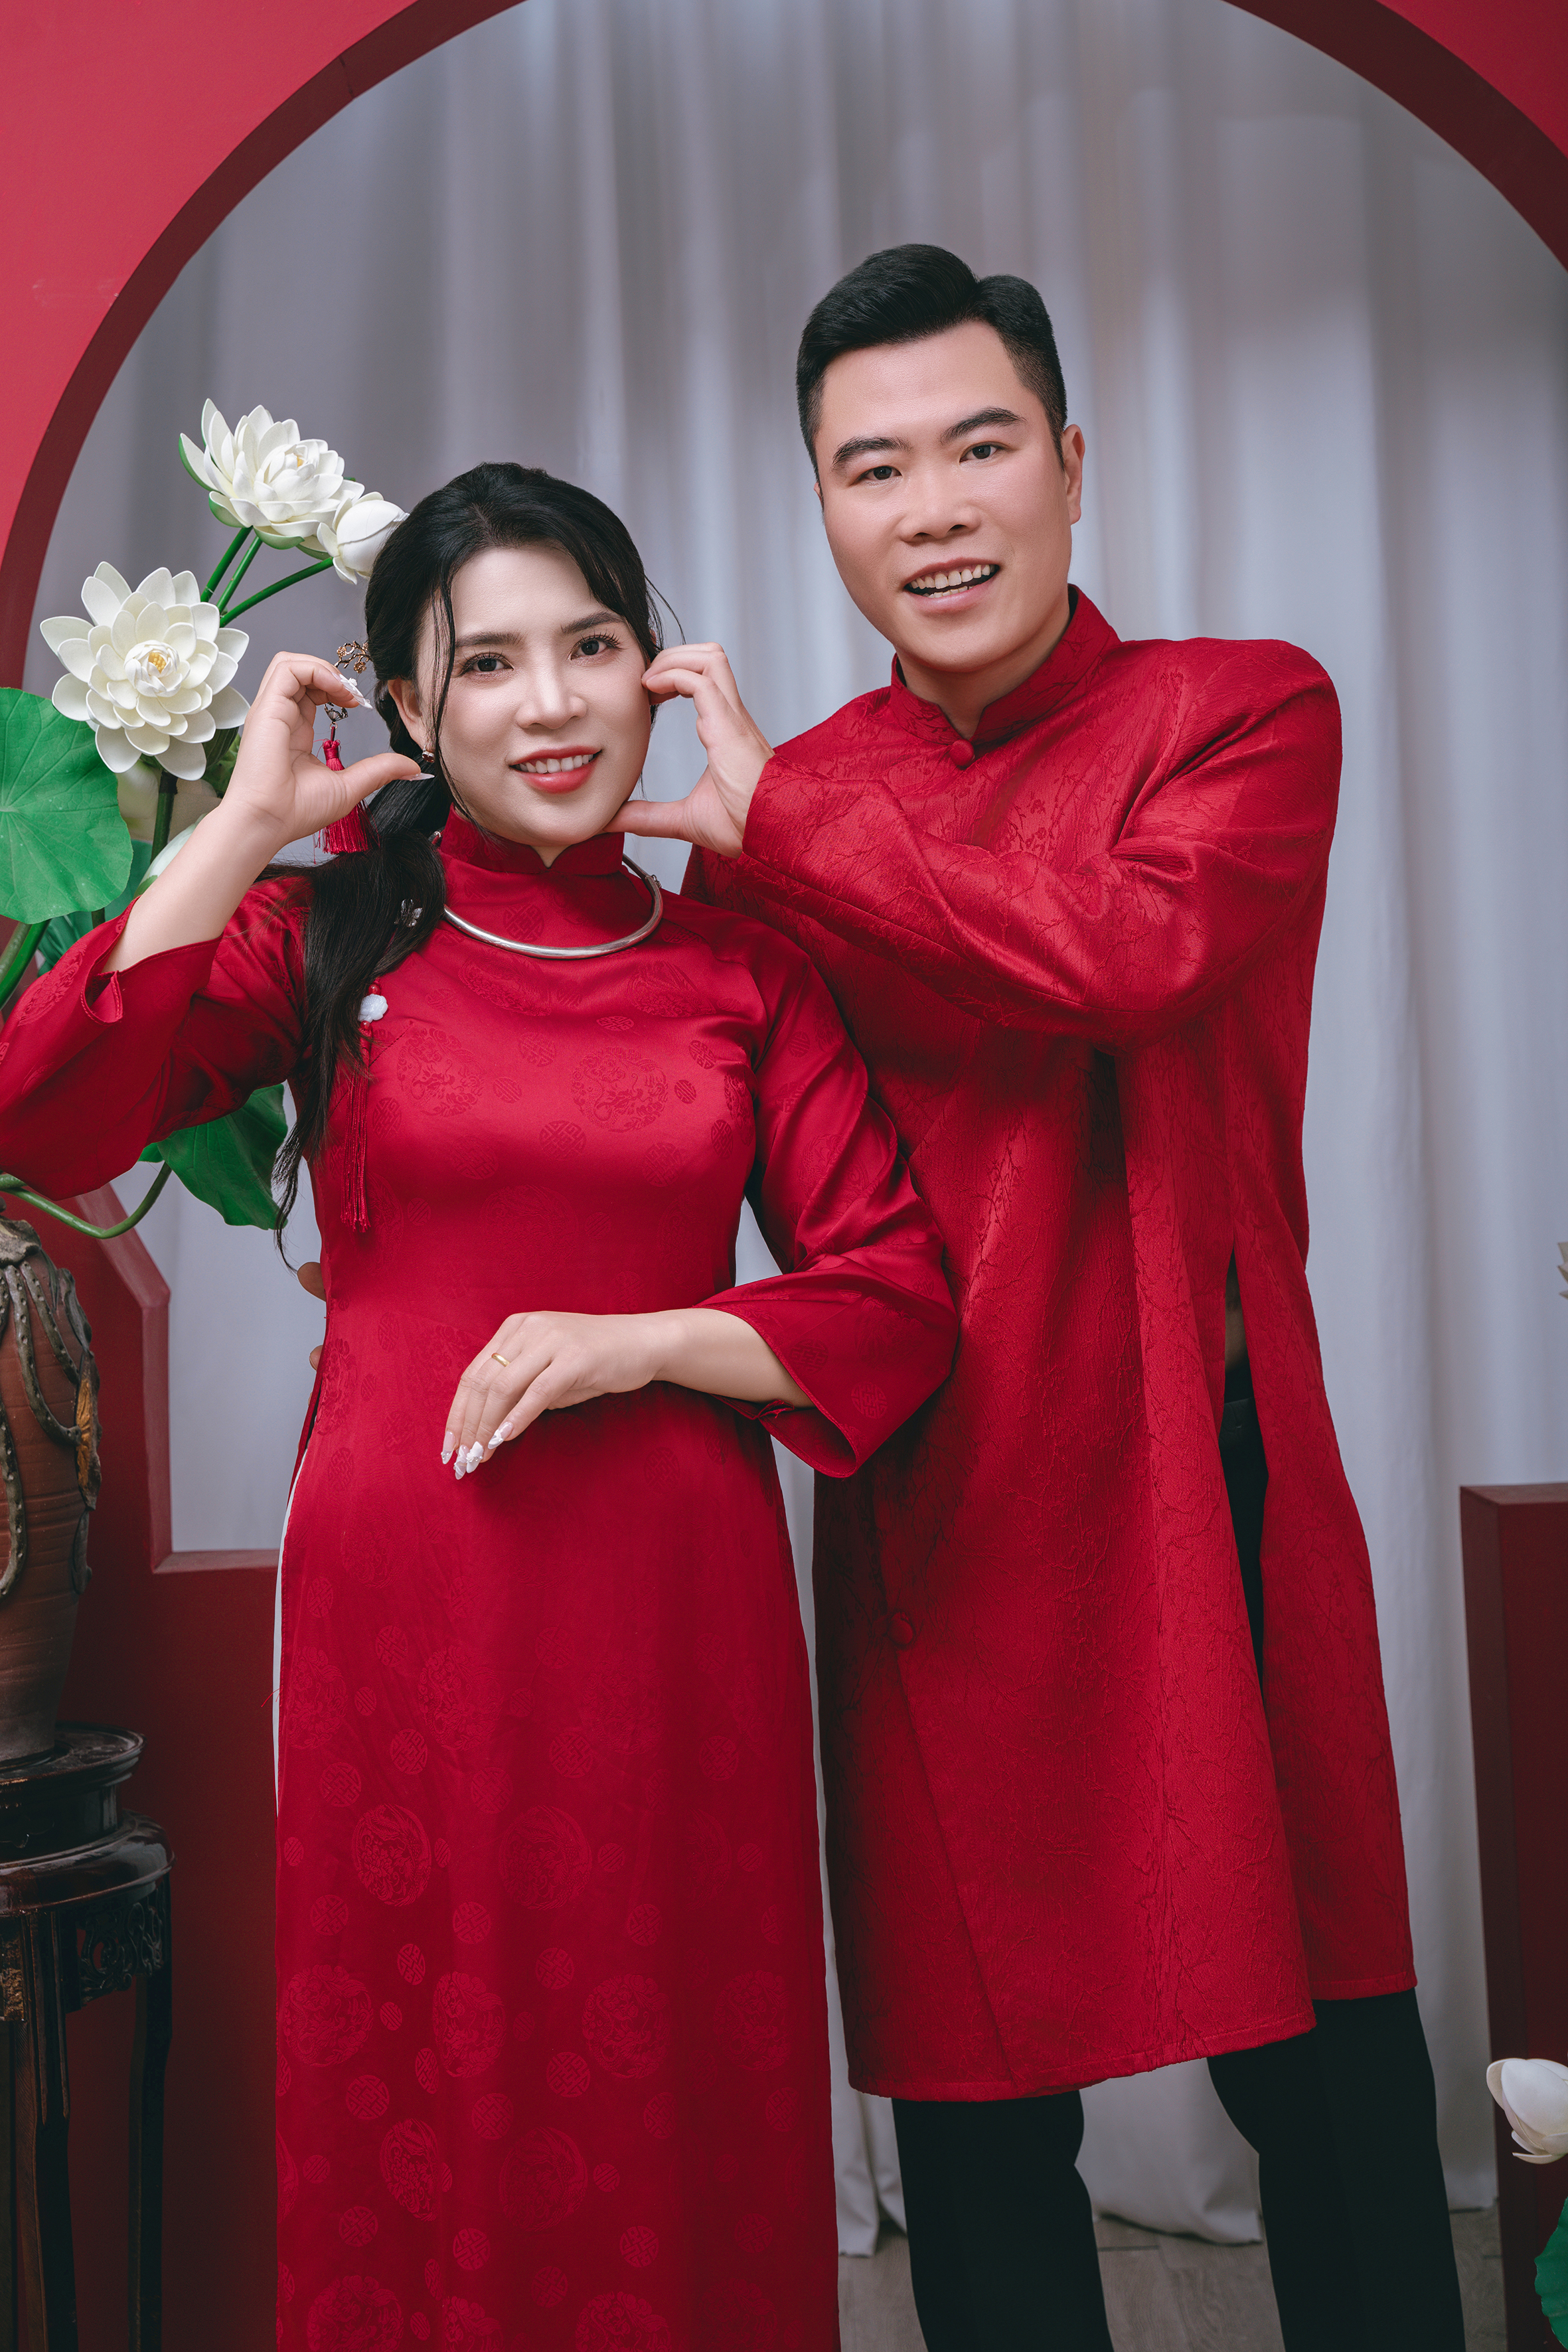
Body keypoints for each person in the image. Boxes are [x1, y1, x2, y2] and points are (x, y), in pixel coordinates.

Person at [0, 462, 958, 2351]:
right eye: (490, 664)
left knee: (672, 2056)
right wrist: (241, 831)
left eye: (590, 646)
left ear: (651, 668)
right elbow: (36, 1116)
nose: (552, 703)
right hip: (409, 1594)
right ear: (411, 711)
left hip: (681, 1614)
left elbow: (898, 1297)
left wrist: (641, 1340)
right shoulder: (329, 940)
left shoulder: (739, 970)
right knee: (430, 2066)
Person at [622, 247, 1466, 2351]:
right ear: (820, 507)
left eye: (978, 445)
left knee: (1330, 2074)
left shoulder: (1238, 707)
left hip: (1214, 1467)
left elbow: (1128, 960)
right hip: (936, 1496)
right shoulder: (779, 807)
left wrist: (788, 830)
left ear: (1071, 467)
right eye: (871, 466)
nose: (930, 507)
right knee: (985, 2128)